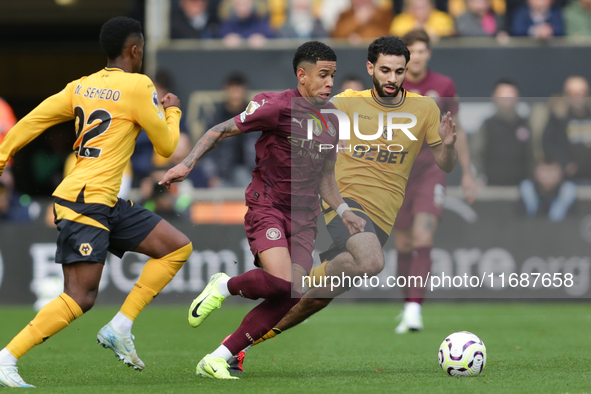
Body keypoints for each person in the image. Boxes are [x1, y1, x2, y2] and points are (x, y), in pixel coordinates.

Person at [226, 35, 459, 374]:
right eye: (384, 70)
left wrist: (449, 146)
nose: (391, 78)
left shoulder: (425, 109)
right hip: (343, 203)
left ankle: (239, 345)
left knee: (317, 298)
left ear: (407, 70)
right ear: (370, 68)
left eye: (398, 71)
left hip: (380, 217)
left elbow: (446, 163)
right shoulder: (345, 102)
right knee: (371, 260)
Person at [0, 17, 193, 388]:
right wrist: (172, 111)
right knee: (80, 297)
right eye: (142, 50)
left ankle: (120, 326)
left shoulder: (80, 86)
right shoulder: (139, 86)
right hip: (85, 202)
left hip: (102, 199)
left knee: (175, 247)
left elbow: (32, 121)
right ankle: (7, 358)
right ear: (135, 50)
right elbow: (167, 147)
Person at [159, 41, 367, 380]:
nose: (330, 83)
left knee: (291, 294)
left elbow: (326, 176)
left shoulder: (333, 120)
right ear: (302, 75)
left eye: (333, 75)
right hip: (267, 205)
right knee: (281, 282)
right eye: (323, 75)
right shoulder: (275, 107)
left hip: (304, 218)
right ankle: (224, 286)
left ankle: (217, 357)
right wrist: (186, 164)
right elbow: (219, 129)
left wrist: (343, 210)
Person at [393, 29, 476, 334]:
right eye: (411, 51)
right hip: (397, 173)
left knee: (423, 238)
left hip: (431, 169)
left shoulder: (443, 86)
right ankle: (408, 306)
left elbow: (457, 130)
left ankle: (415, 310)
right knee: (402, 245)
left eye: (422, 51)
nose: (417, 57)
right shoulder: (391, 84)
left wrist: (467, 172)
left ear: (429, 53)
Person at [201, 72, 260, 188]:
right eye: (232, 88)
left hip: (250, 173)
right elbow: (206, 150)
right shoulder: (216, 118)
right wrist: (212, 176)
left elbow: (264, 148)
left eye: (239, 88)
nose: (236, 93)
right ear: (226, 90)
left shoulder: (256, 117)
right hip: (222, 174)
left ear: (245, 90)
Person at [472, 79, 532, 186]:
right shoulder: (487, 125)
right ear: (494, 97)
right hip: (492, 185)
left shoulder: (525, 124)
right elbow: (476, 153)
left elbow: (533, 153)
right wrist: (480, 176)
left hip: (522, 187)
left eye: (511, 94)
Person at [542, 76, 591, 184]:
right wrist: (564, 163)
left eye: (582, 92)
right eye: (573, 92)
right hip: (568, 179)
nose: (578, 96)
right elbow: (548, 143)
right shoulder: (558, 116)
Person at [520, 157, 577, 222]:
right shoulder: (528, 189)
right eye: (545, 170)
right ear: (536, 173)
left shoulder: (568, 190)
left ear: (561, 173)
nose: (549, 175)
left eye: (553, 170)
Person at [390, 0, 455, 40]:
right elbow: (396, 36)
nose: (419, 11)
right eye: (416, 8)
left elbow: (448, 36)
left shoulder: (442, 17)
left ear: (431, 7)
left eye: (423, 7)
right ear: (408, 8)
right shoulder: (401, 19)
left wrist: (427, 30)